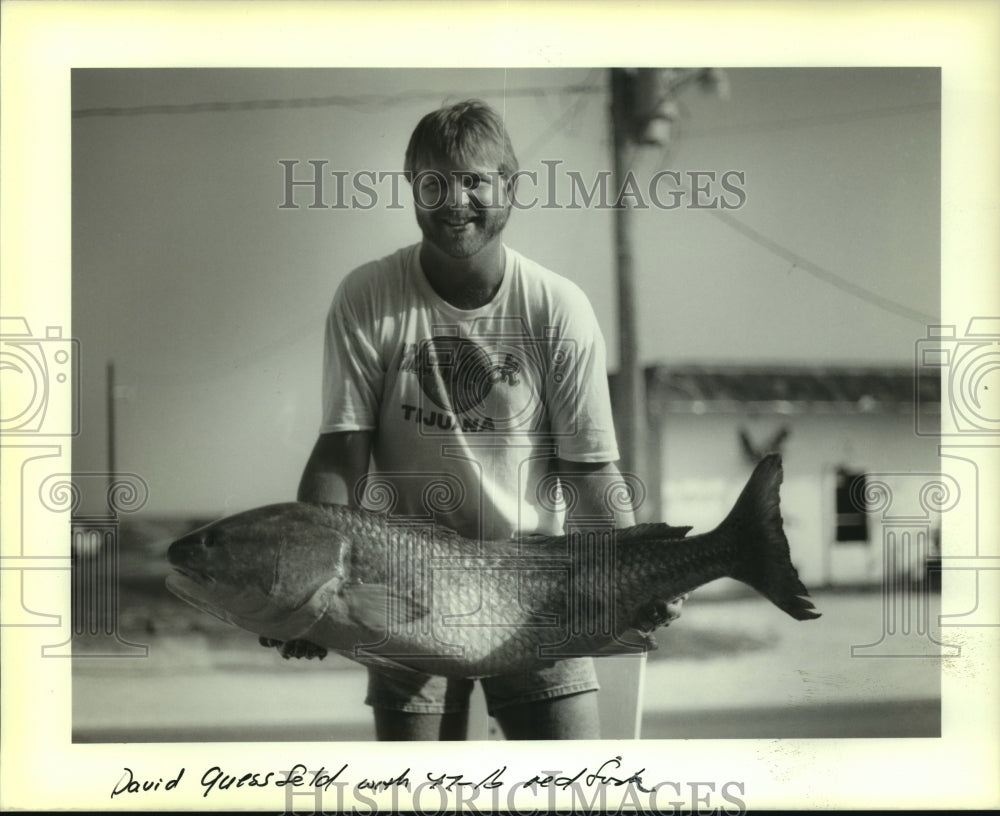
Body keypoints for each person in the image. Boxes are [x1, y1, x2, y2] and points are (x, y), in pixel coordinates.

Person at [292, 99, 680, 740]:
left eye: (474, 179)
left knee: (571, 791)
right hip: (402, 587)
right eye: (434, 181)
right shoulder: (368, 296)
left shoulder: (557, 307)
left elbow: (589, 473)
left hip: (536, 585)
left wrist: (640, 570)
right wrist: (304, 597)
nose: (455, 200)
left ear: (511, 188)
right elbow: (341, 456)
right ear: (411, 188)